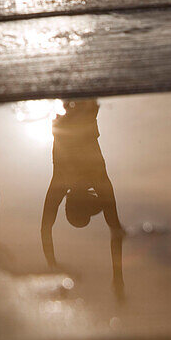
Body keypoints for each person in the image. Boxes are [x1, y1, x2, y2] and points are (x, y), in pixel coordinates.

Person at [41, 100, 125, 299]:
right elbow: (45, 228)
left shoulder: (97, 182)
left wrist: (118, 278)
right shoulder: (61, 184)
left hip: (83, 116)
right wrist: (52, 265)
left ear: (89, 201)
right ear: (68, 203)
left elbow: (115, 229)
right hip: (63, 118)